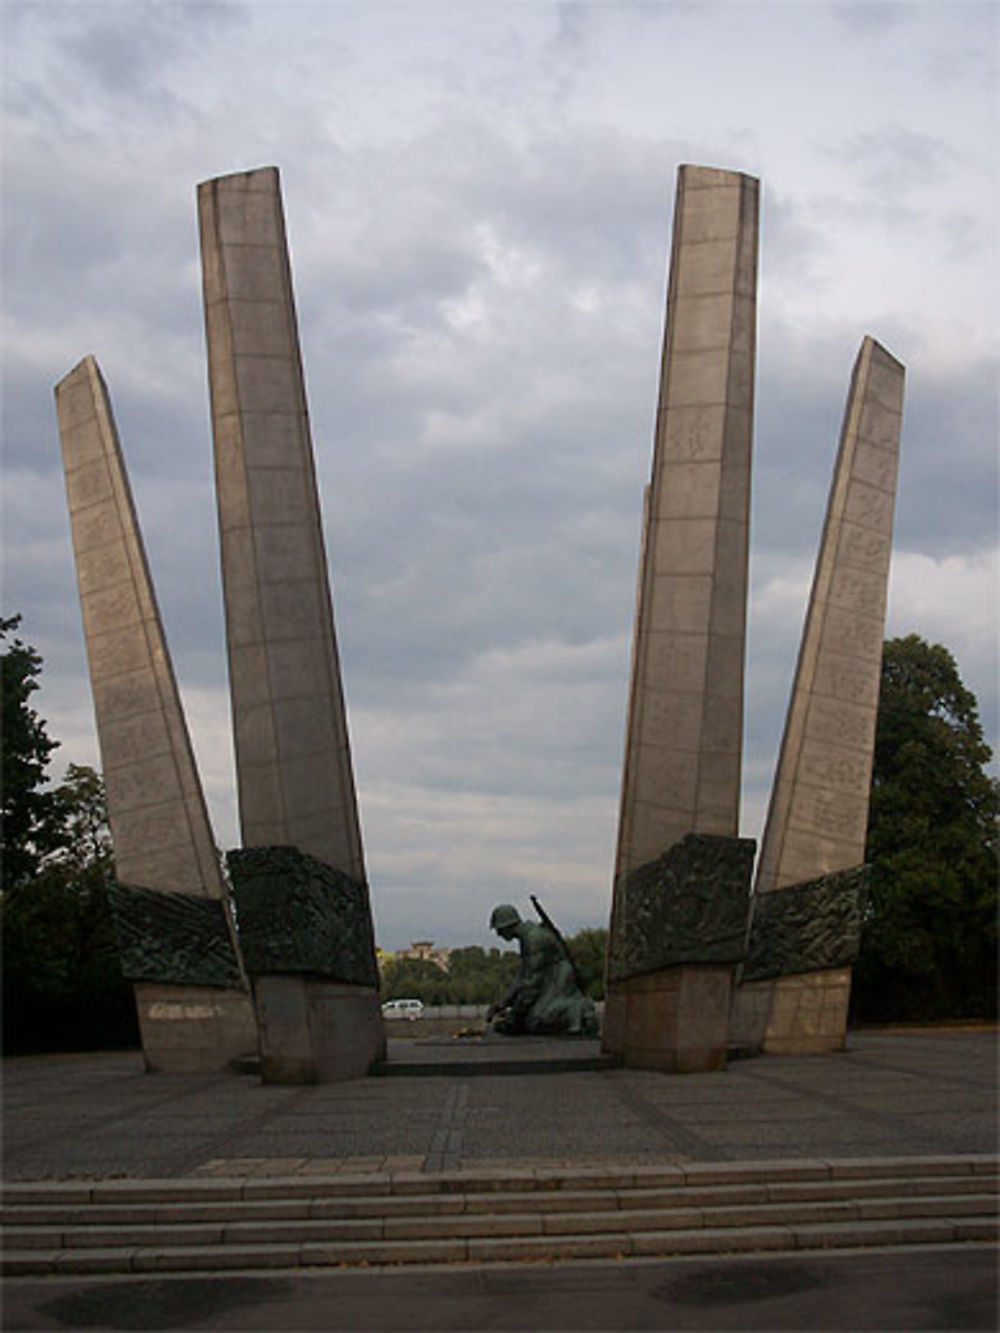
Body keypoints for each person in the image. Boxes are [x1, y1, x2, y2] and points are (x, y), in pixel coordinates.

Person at [487, 902, 598, 1036]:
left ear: (507, 926)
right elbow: (522, 977)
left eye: (499, 929)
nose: (498, 934)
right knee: (529, 1021)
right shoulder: (526, 937)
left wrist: (515, 1016)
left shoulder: (534, 939)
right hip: (549, 978)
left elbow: (531, 984)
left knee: (536, 1021)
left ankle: (579, 1010)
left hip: (558, 979)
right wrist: (502, 1002)